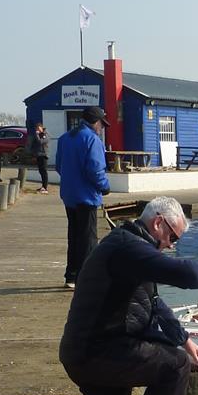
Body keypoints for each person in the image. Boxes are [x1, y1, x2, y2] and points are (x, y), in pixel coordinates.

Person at [1, 196, 198, 395]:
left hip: (92, 350)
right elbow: (184, 273)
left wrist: (183, 338)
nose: (171, 246)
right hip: (98, 352)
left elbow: (154, 303)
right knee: (177, 364)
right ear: (159, 223)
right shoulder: (128, 249)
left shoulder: (129, 246)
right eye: (173, 238)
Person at [55, 106, 111, 289]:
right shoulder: (92, 140)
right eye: (102, 124)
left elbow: (58, 166)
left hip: (69, 195)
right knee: (88, 239)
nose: (102, 128)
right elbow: (95, 169)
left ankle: (71, 275)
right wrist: (104, 186)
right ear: (96, 122)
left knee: (74, 236)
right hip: (86, 196)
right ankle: (87, 279)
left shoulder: (65, 138)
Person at [31, 122, 50, 194]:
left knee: (44, 171)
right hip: (38, 155)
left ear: (41, 127)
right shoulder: (38, 135)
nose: (37, 130)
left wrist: (37, 135)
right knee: (41, 171)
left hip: (44, 155)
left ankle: (45, 187)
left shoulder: (46, 134)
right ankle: (43, 186)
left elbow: (40, 142)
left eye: (38, 128)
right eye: (36, 129)